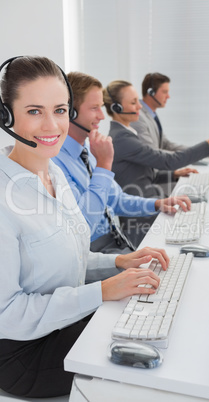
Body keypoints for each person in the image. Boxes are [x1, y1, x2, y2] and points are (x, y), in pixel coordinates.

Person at [0, 56, 171, 398]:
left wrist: (118, 262)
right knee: (144, 379)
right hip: (23, 353)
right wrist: (103, 291)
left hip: (62, 323)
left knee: (155, 335)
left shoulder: (54, 173)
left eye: (60, 110)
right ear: (6, 116)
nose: (52, 125)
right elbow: (7, 314)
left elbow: (65, 258)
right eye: (35, 111)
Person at [53, 72, 192, 250]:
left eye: (101, 107)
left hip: (118, 241)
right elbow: (83, 226)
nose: (102, 116)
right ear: (70, 112)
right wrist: (104, 166)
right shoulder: (56, 163)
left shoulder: (88, 149)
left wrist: (158, 204)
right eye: (94, 108)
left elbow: (116, 200)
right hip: (93, 251)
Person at [103, 80, 209, 198]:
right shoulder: (122, 139)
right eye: (133, 102)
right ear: (117, 108)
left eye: (138, 100)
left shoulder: (125, 133)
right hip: (141, 215)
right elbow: (168, 161)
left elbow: (144, 176)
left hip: (148, 202)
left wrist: (174, 174)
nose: (139, 106)